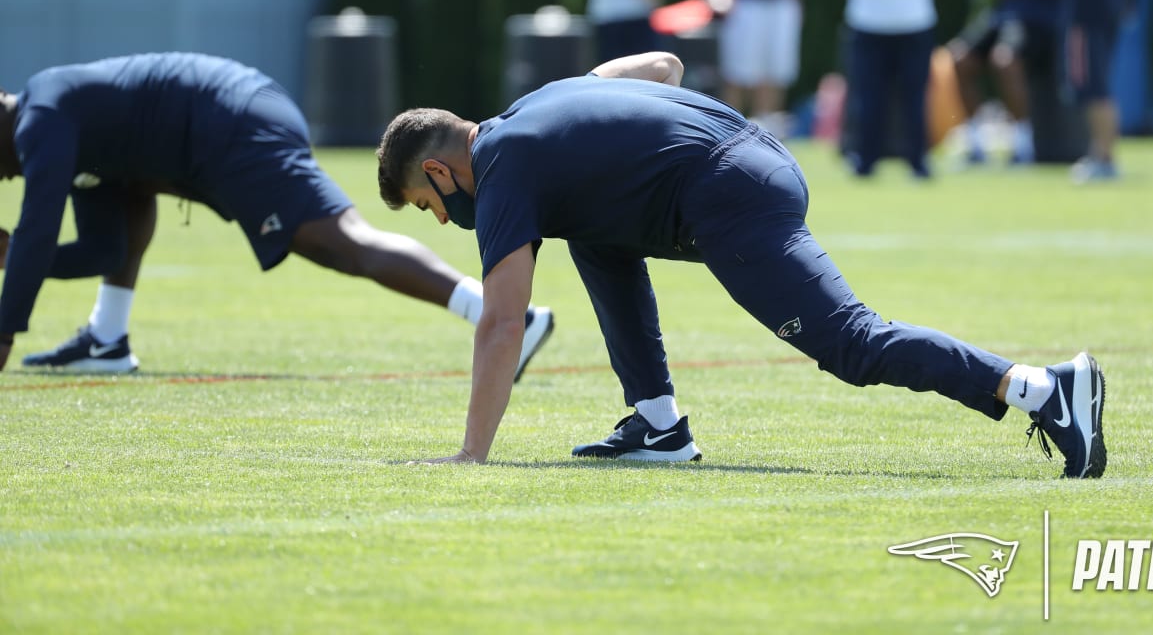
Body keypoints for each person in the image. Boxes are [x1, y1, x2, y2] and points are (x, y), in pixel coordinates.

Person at [374, 51, 1108, 479]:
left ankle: (1043, 389)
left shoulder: (503, 168)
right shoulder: (536, 109)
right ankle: (659, 426)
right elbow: (663, 64)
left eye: (424, 204)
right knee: (595, 231)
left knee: (850, 344)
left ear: (439, 172)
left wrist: (471, 455)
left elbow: (503, 322)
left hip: (732, 192)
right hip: (743, 160)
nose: (438, 219)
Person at [0, 52, 554, 375]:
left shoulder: (44, 118)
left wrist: (5, 329)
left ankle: (506, 316)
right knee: (126, 193)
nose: (4, 177)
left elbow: (36, 227)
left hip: (232, 120)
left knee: (342, 243)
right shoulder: (72, 132)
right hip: (225, 116)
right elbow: (104, 248)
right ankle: (106, 338)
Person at [947, 0, 1066, 166]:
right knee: (959, 57)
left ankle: (1022, 143)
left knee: (1005, 60)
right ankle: (976, 141)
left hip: (1039, 20)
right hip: (1003, 16)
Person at [835, 0, 945, 179]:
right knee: (914, 94)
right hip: (914, 15)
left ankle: (866, 160)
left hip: (868, 15)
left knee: (869, 94)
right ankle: (918, 161)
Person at [1047, 0, 1137, 182]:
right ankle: (1100, 153)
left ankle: (1103, 157)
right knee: (1100, 83)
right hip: (1112, 10)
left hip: (1084, 12)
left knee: (1093, 86)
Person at [697, 0, 803, 138]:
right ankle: (725, 134)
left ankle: (768, 137)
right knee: (736, 75)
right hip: (742, 3)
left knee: (774, 74)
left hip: (780, 3)